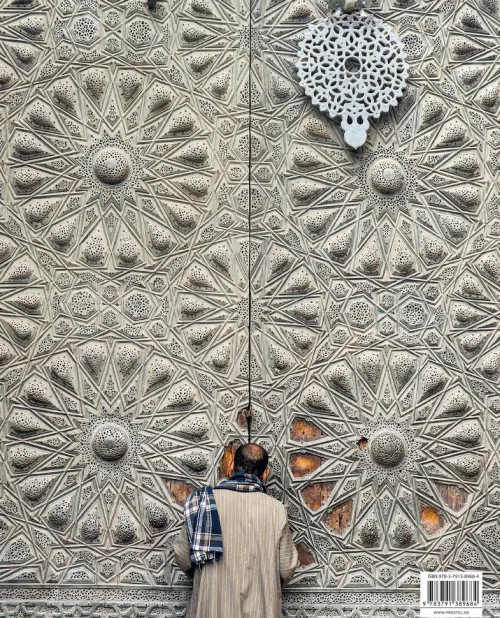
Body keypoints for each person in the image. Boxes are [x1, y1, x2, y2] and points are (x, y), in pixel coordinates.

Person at [173, 443, 299, 618]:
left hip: (212, 608)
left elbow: (183, 557)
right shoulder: (276, 509)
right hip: (259, 610)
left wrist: (208, 576)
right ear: (265, 474)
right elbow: (287, 568)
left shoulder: (204, 503)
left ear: (231, 466)